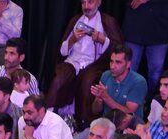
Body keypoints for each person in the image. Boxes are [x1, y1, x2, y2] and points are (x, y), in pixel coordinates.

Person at [44, 0, 120, 128]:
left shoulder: (107, 21)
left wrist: (103, 40)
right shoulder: (75, 21)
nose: (86, 6)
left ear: (98, 2)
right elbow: (62, 51)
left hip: (94, 63)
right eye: (83, 3)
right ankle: (50, 114)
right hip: (73, 61)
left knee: (88, 81)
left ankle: (84, 122)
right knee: (60, 79)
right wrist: (72, 40)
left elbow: (118, 47)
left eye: (90, 2)